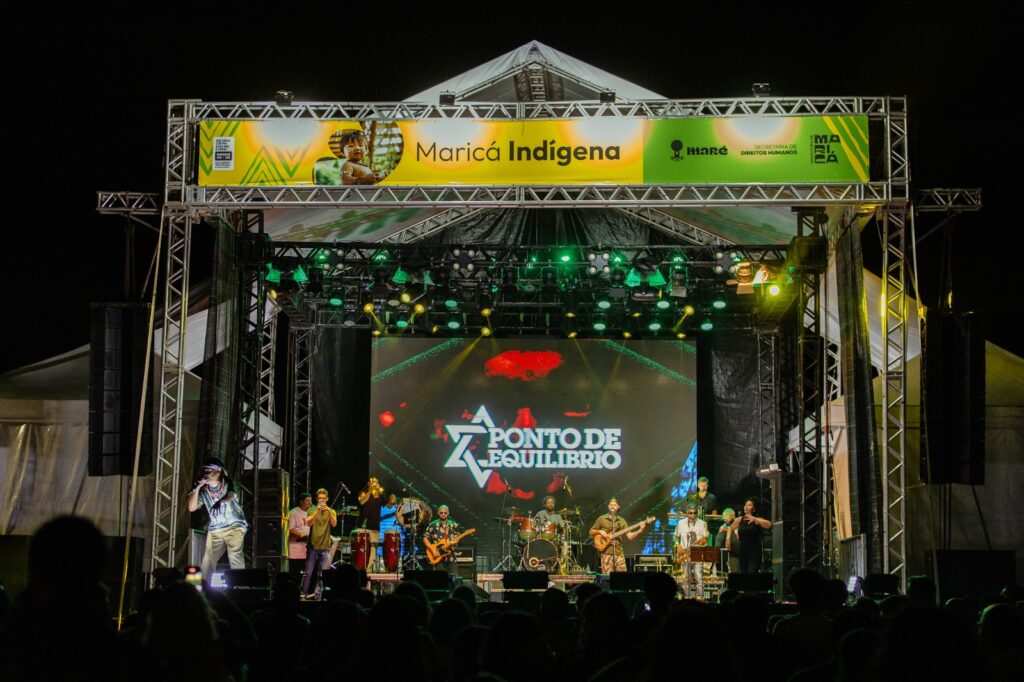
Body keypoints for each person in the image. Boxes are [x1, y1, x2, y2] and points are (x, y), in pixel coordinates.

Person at [186, 457, 247, 581]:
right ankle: (203, 584)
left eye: (210, 470)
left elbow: (231, 495)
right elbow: (191, 508)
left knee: (234, 555)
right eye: (205, 470)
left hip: (234, 525)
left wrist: (220, 502)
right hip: (216, 528)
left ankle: (239, 583)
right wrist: (197, 488)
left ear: (218, 471)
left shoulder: (228, 482)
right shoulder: (204, 490)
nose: (206, 473)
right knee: (208, 559)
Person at [589, 498, 646, 574]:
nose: (612, 506)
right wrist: (600, 531)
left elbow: (630, 536)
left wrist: (640, 530)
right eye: (611, 505)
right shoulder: (601, 519)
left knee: (621, 577)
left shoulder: (622, 521)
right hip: (606, 554)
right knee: (607, 577)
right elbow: (591, 532)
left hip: (619, 554)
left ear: (618, 507)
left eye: (614, 505)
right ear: (608, 507)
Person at [302, 488, 338, 598]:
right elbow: (308, 523)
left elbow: (334, 524)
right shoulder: (312, 509)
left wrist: (328, 511)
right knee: (308, 572)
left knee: (323, 573)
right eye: (319, 498)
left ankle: (319, 594)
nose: (321, 500)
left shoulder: (331, 511)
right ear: (317, 499)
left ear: (327, 499)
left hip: (325, 545)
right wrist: (317, 511)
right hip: (313, 545)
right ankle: (303, 592)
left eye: (323, 498)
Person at [673, 503, 708, 599]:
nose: (693, 515)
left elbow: (705, 538)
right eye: (690, 513)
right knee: (686, 579)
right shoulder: (680, 523)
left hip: (697, 554)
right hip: (685, 555)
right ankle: (687, 598)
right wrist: (677, 544)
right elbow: (675, 536)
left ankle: (700, 598)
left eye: (695, 513)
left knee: (699, 578)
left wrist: (702, 542)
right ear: (686, 513)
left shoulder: (702, 523)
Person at [731, 498, 771, 573]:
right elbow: (731, 528)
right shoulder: (740, 519)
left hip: (754, 551)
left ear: (754, 509)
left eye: (749, 505)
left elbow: (769, 525)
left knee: (752, 573)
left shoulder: (756, 519)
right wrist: (729, 537)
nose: (746, 507)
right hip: (742, 550)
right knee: (744, 573)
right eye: (745, 505)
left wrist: (755, 519)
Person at [423, 504, 462, 573]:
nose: (443, 514)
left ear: (448, 513)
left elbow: (457, 538)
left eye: (445, 513)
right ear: (438, 513)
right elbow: (425, 538)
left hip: (451, 557)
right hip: (438, 558)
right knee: (440, 578)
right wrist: (432, 550)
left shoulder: (454, 525)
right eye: (441, 513)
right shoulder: (432, 525)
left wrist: (455, 542)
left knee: (454, 578)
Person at [358, 476, 385, 570]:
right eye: (373, 482)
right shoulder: (363, 492)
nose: (374, 483)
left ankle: (368, 570)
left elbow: (388, 505)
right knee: (362, 549)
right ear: (368, 484)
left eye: (376, 482)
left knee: (373, 550)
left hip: (375, 527)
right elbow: (361, 502)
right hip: (364, 526)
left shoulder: (380, 495)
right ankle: (361, 569)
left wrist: (392, 501)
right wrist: (370, 491)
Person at [287, 492, 313, 578]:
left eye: (311, 501)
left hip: (307, 548)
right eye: (307, 501)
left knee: (307, 572)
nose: (310, 503)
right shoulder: (293, 512)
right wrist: (302, 535)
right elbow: (290, 529)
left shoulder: (310, 513)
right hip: (296, 548)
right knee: (296, 572)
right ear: (301, 501)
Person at [715, 507, 740, 573]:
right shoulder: (723, 526)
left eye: (727, 517)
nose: (725, 519)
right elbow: (718, 543)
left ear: (733, 516)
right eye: (724, 517)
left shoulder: (738, 522)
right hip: (730, 553)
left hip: (740, 551)